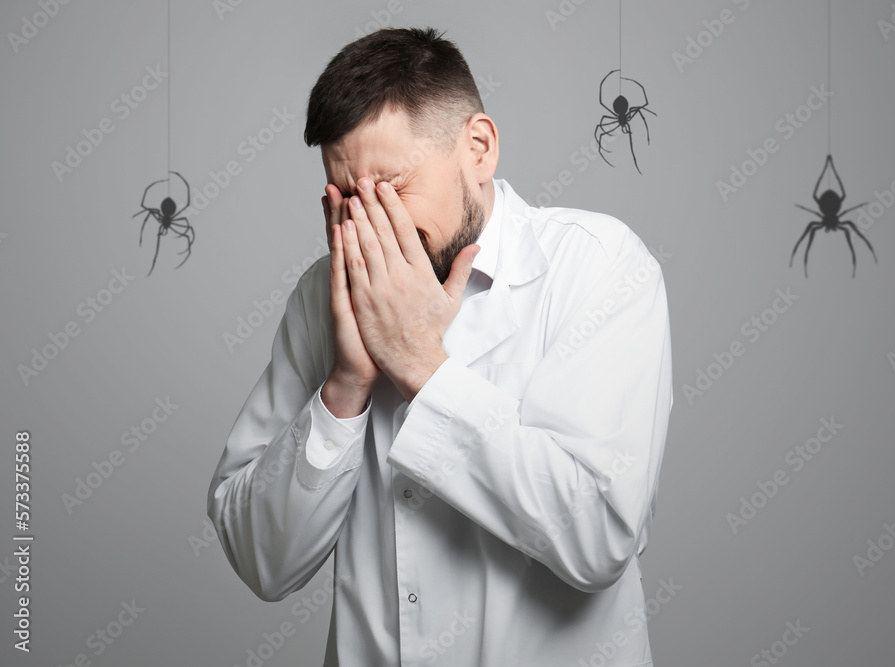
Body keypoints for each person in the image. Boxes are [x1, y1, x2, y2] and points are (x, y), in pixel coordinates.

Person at [207, 27, 673, 667]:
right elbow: (262, 560)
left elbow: (596, 538)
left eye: (391, 188)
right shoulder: (325, 295)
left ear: (477, 148)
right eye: (345, 199)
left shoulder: (598, 267)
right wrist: (344, 388)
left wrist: (420, 364)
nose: (368, 225)